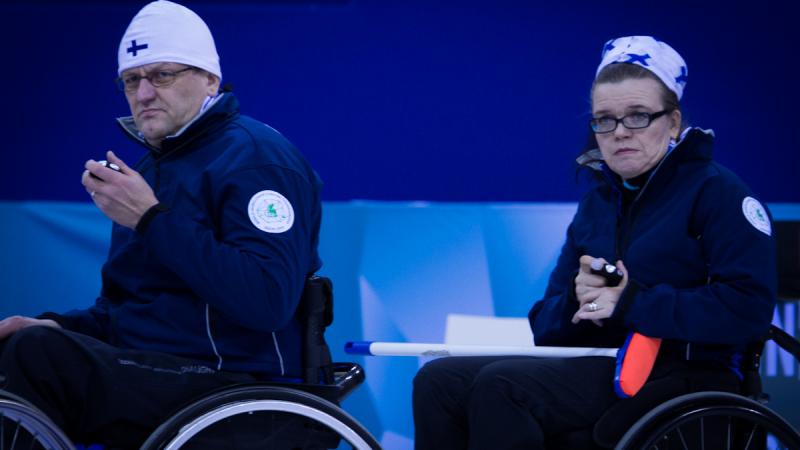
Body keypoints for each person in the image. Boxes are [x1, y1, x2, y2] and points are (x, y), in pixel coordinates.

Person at [412, 36, 776, 449]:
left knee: (505, 386)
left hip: (686, 374)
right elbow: (544, 325)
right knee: (438, 380)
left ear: (673, 123)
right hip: (601, 365)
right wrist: (577, 299)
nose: (619, 132)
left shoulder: (718, 193)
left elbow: (748, 309)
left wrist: (632, 302)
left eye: (638, 117)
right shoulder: (598, 203)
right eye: (604, 119)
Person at [0, 0, 322, 447]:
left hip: (236, 387)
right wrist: (57, 326)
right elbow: (126, 310)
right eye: (131, 80)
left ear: (209, 79)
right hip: (157, 370)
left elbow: (267, 301)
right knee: (22, 343)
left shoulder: (255, 158)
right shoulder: (151, 170)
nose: (144, 93)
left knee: (37, 358)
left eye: (162, 75)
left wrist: (151, 219)